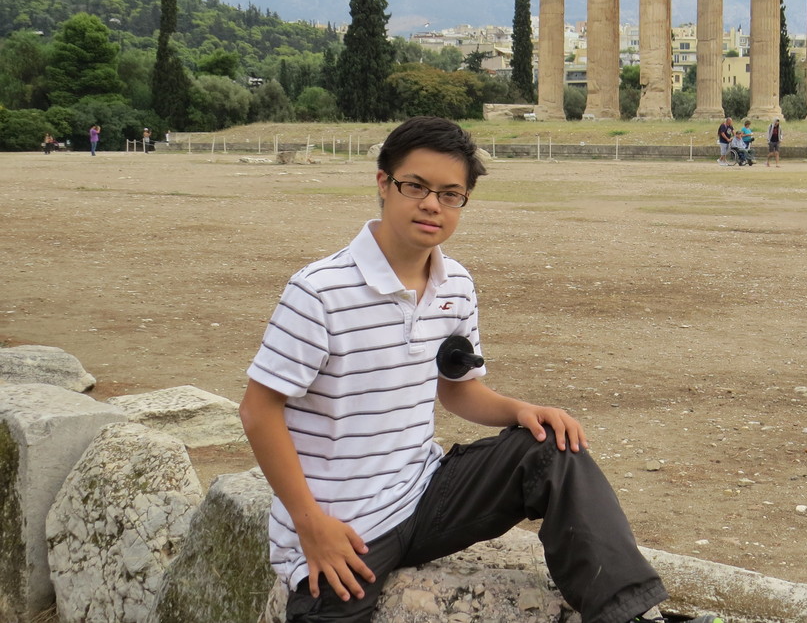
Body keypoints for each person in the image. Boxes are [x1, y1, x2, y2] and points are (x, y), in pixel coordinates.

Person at [239, 116, 722, 623]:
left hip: (423, 494)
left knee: (552, 449)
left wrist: (524, 411)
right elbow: (258, 411)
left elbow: (459, 390)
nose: (432, 204)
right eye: (415, 186)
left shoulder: (456, 285)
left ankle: (627, 615)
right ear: (383, 183)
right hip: (346, 526)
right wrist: (310, 524)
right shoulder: (319, 291)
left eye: (450, 194)